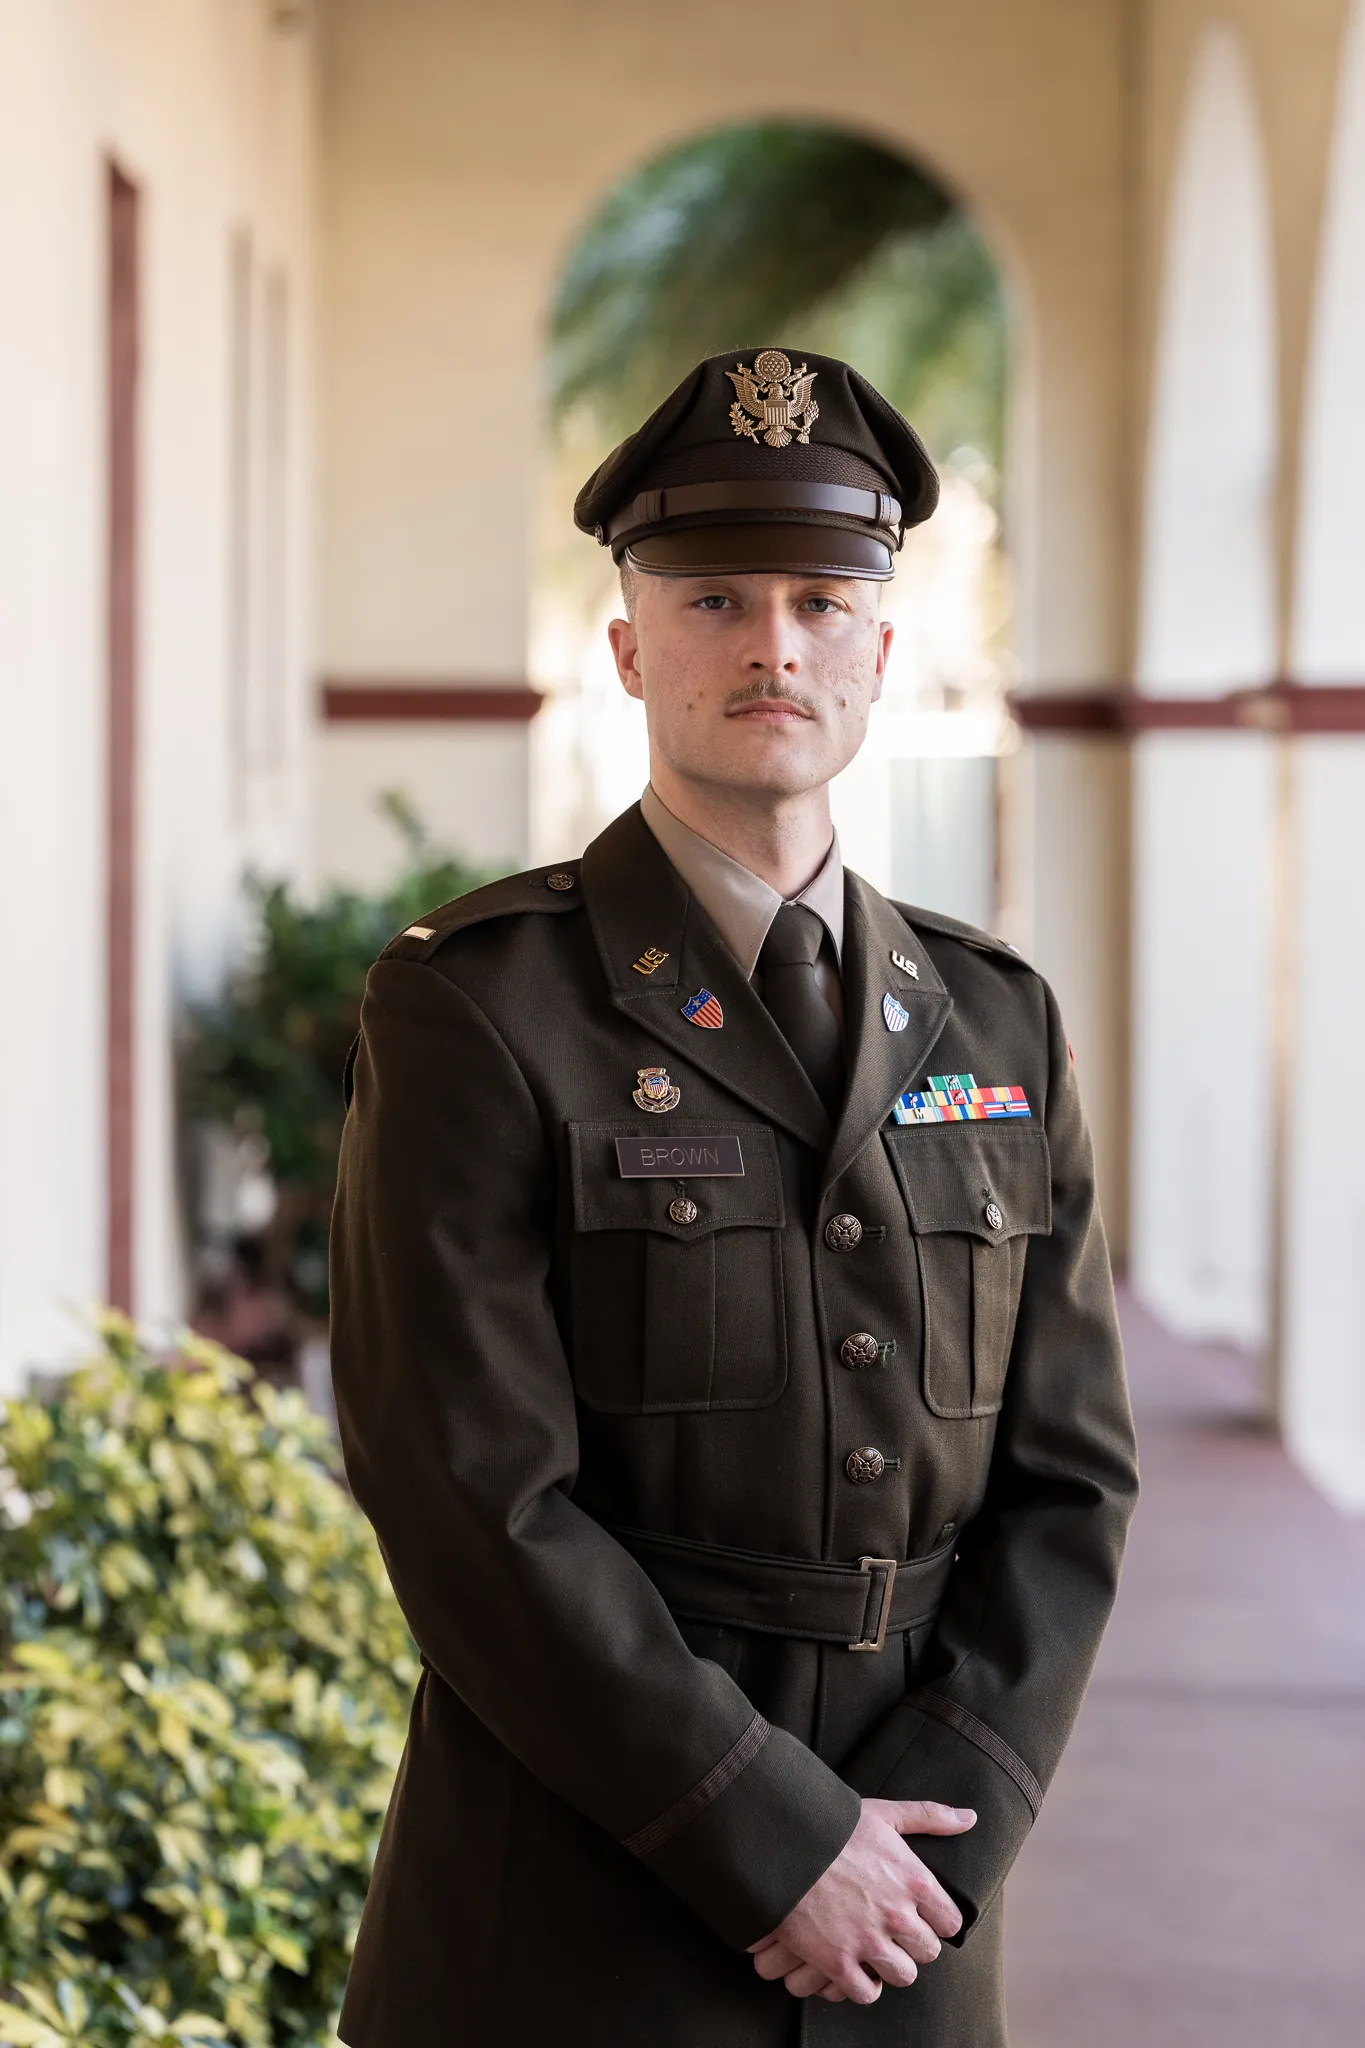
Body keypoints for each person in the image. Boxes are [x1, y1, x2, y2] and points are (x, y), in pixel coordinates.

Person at [329, 348, 1138, 2047]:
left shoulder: (997, 1018)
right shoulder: (484, 1004)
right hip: (575, 1905)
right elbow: (468, 1496)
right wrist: (770, 1842)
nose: (774, 644)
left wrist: (930, 1823)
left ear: (881, 651)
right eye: (714, 600)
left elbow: (1069, 1483)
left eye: (821, 600)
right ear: (629, 650)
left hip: (914, 1905)